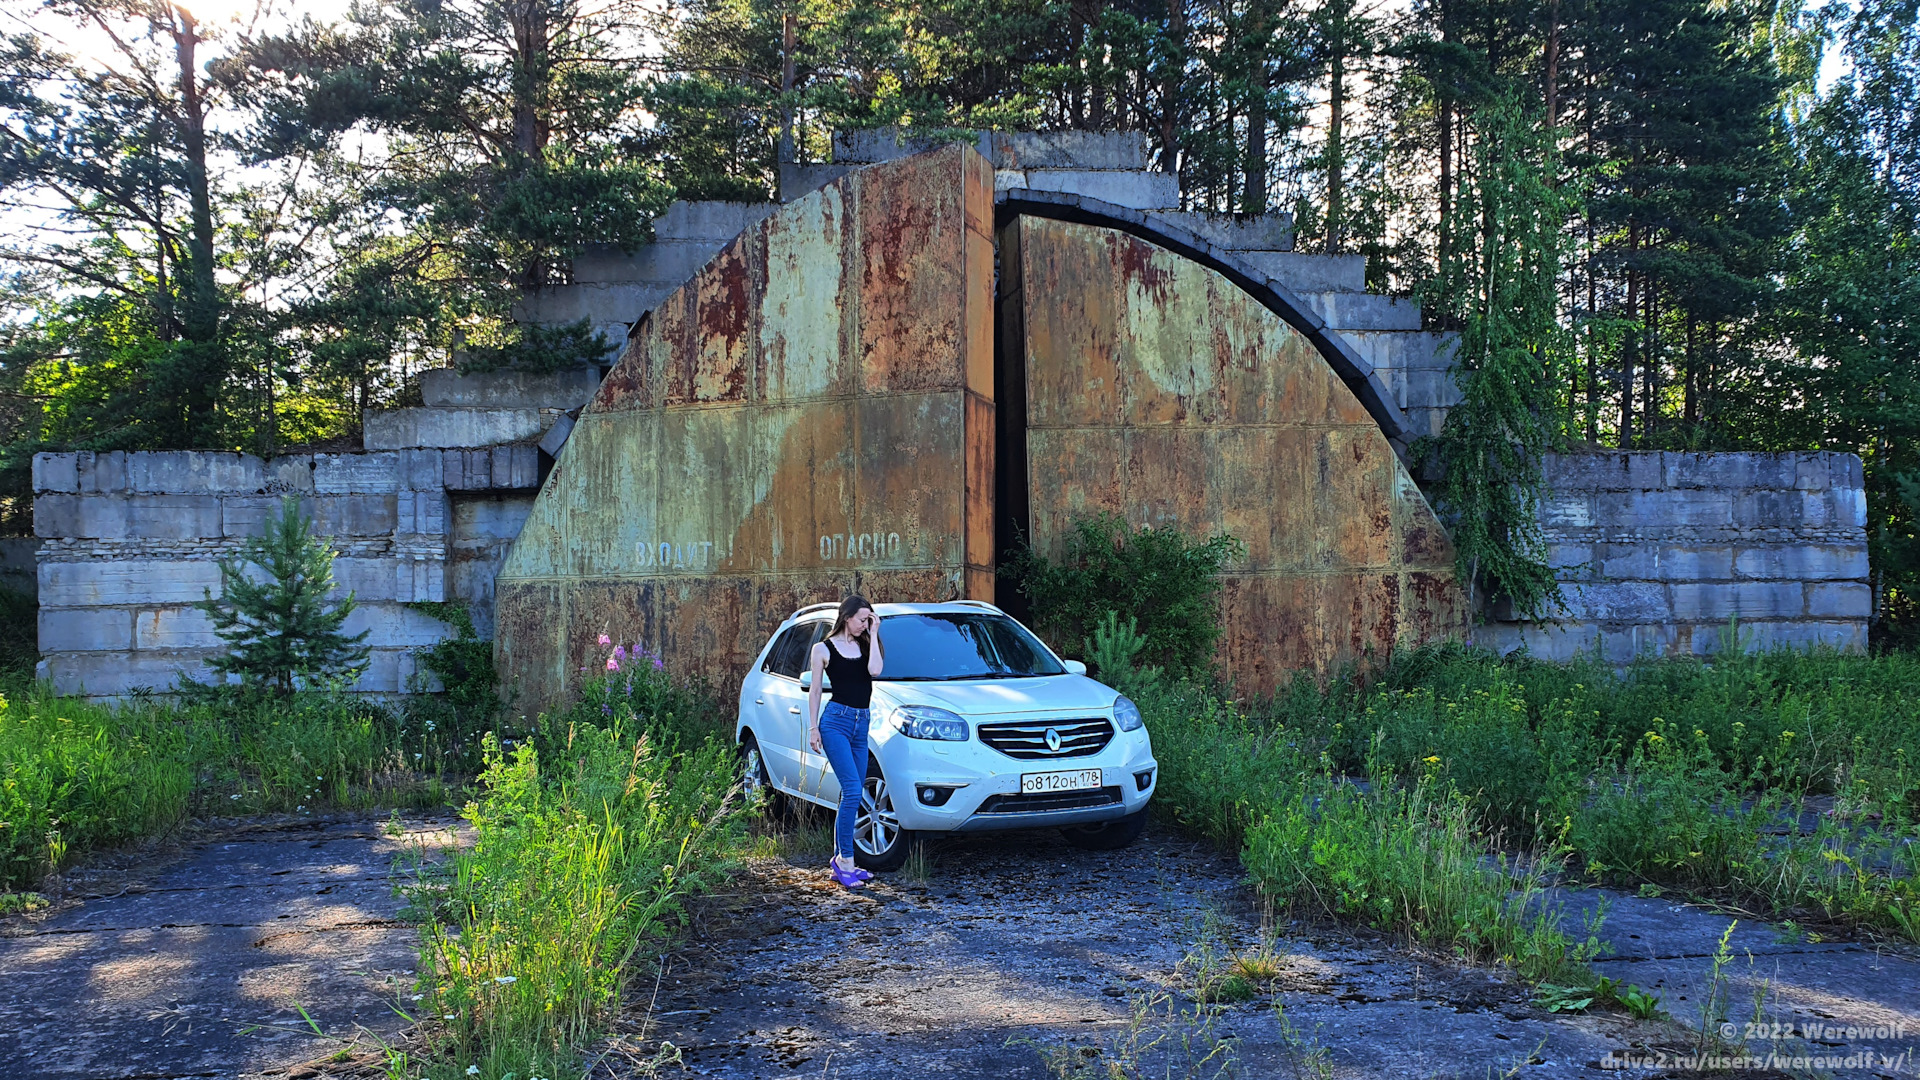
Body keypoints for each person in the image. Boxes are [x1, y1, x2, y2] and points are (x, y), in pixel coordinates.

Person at [808, 594, 885, 888]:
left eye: (869, 620)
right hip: (835, 723)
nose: (865, 624)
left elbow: (875, 672)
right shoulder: (822, 649)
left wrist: (874, 633)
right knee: (853, 789)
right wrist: (813, 728)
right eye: (862, 619)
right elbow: (815, 691)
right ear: (847, 616)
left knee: (852, 791)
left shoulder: (866, 644)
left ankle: (840, 858)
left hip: (861, 723)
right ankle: (846, 863)